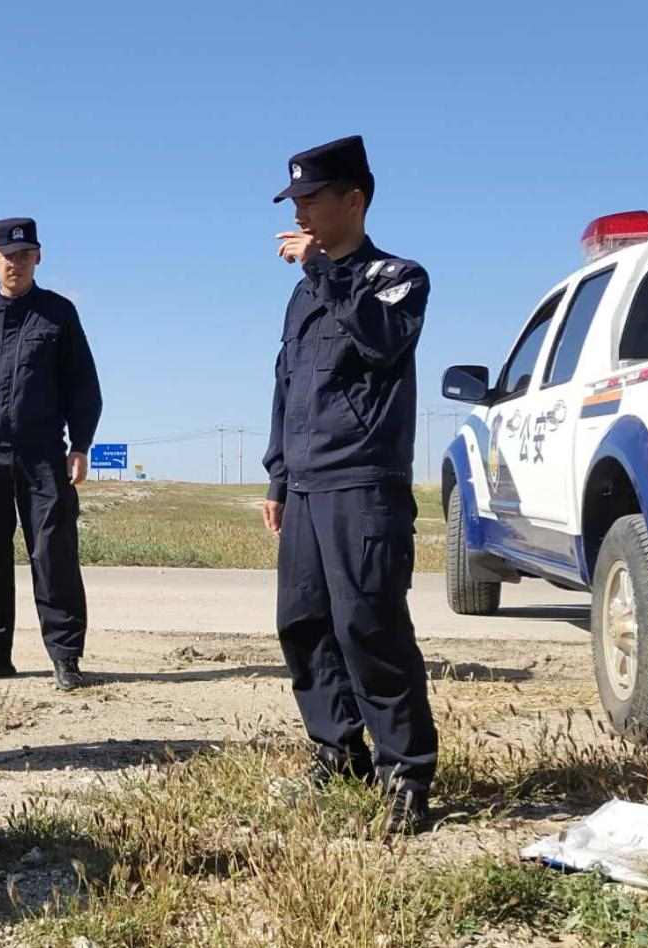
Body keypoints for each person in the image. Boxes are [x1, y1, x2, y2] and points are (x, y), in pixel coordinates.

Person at [261, 135, 436, 834]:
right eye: (294, 200)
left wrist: (324, 272)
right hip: (305, 486)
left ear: (353, 200)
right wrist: (277, 475)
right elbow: (287, 386)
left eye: (311, 198)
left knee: (370, 626)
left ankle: (407, 774)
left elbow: (381, 341)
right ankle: (338, 754)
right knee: (304, 624)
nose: (299, 211)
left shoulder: (398, 276)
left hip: (363, 483)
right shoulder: (303, 294)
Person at [0, 217, 103, 692]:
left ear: (38, 257)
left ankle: (65, 657)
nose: (16, 263)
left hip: (41, 451)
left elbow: (82, 384)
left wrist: (81, 444)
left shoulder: (59, 314)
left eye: (25, 255)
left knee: (53, 554)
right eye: (8, 256)